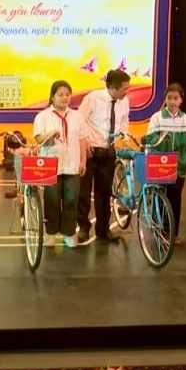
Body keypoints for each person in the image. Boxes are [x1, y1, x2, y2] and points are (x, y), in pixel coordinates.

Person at [76, 69, 131, 243]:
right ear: (113, 87)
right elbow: (79, 121)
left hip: (109, 152)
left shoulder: (124, 101)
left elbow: (124, 121)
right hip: (90, 152)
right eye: (124, 88)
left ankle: (103, 229)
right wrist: (85, 142)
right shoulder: (92, 99)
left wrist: (124, 137)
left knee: (105, 193)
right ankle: (83, 227)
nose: (127, 91)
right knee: (84, 193)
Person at [144, 83, 186, 246]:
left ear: (181, 100)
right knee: (160, 198)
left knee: (175, 200)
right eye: (169, 98)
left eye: (176, 98)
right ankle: (159, 229)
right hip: (160, 166)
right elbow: (150, 139)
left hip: (178, 168)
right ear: (165, 99)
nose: (172, 102)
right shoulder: (157, 118)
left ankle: (172, 233)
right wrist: (163, 141)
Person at [34, 80, 87, 248]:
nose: (64, 98)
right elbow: (38, 139)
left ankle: (69, 234)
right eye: (60, 95)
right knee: (52, 201)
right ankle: (50, 234)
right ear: (52, 97)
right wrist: (50, 134)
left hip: (72, 165)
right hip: (51, 166)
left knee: (71, 201)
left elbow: (82, 139)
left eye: (67, 94)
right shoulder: (42, 117)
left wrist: (83, 161)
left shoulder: (77, 116)